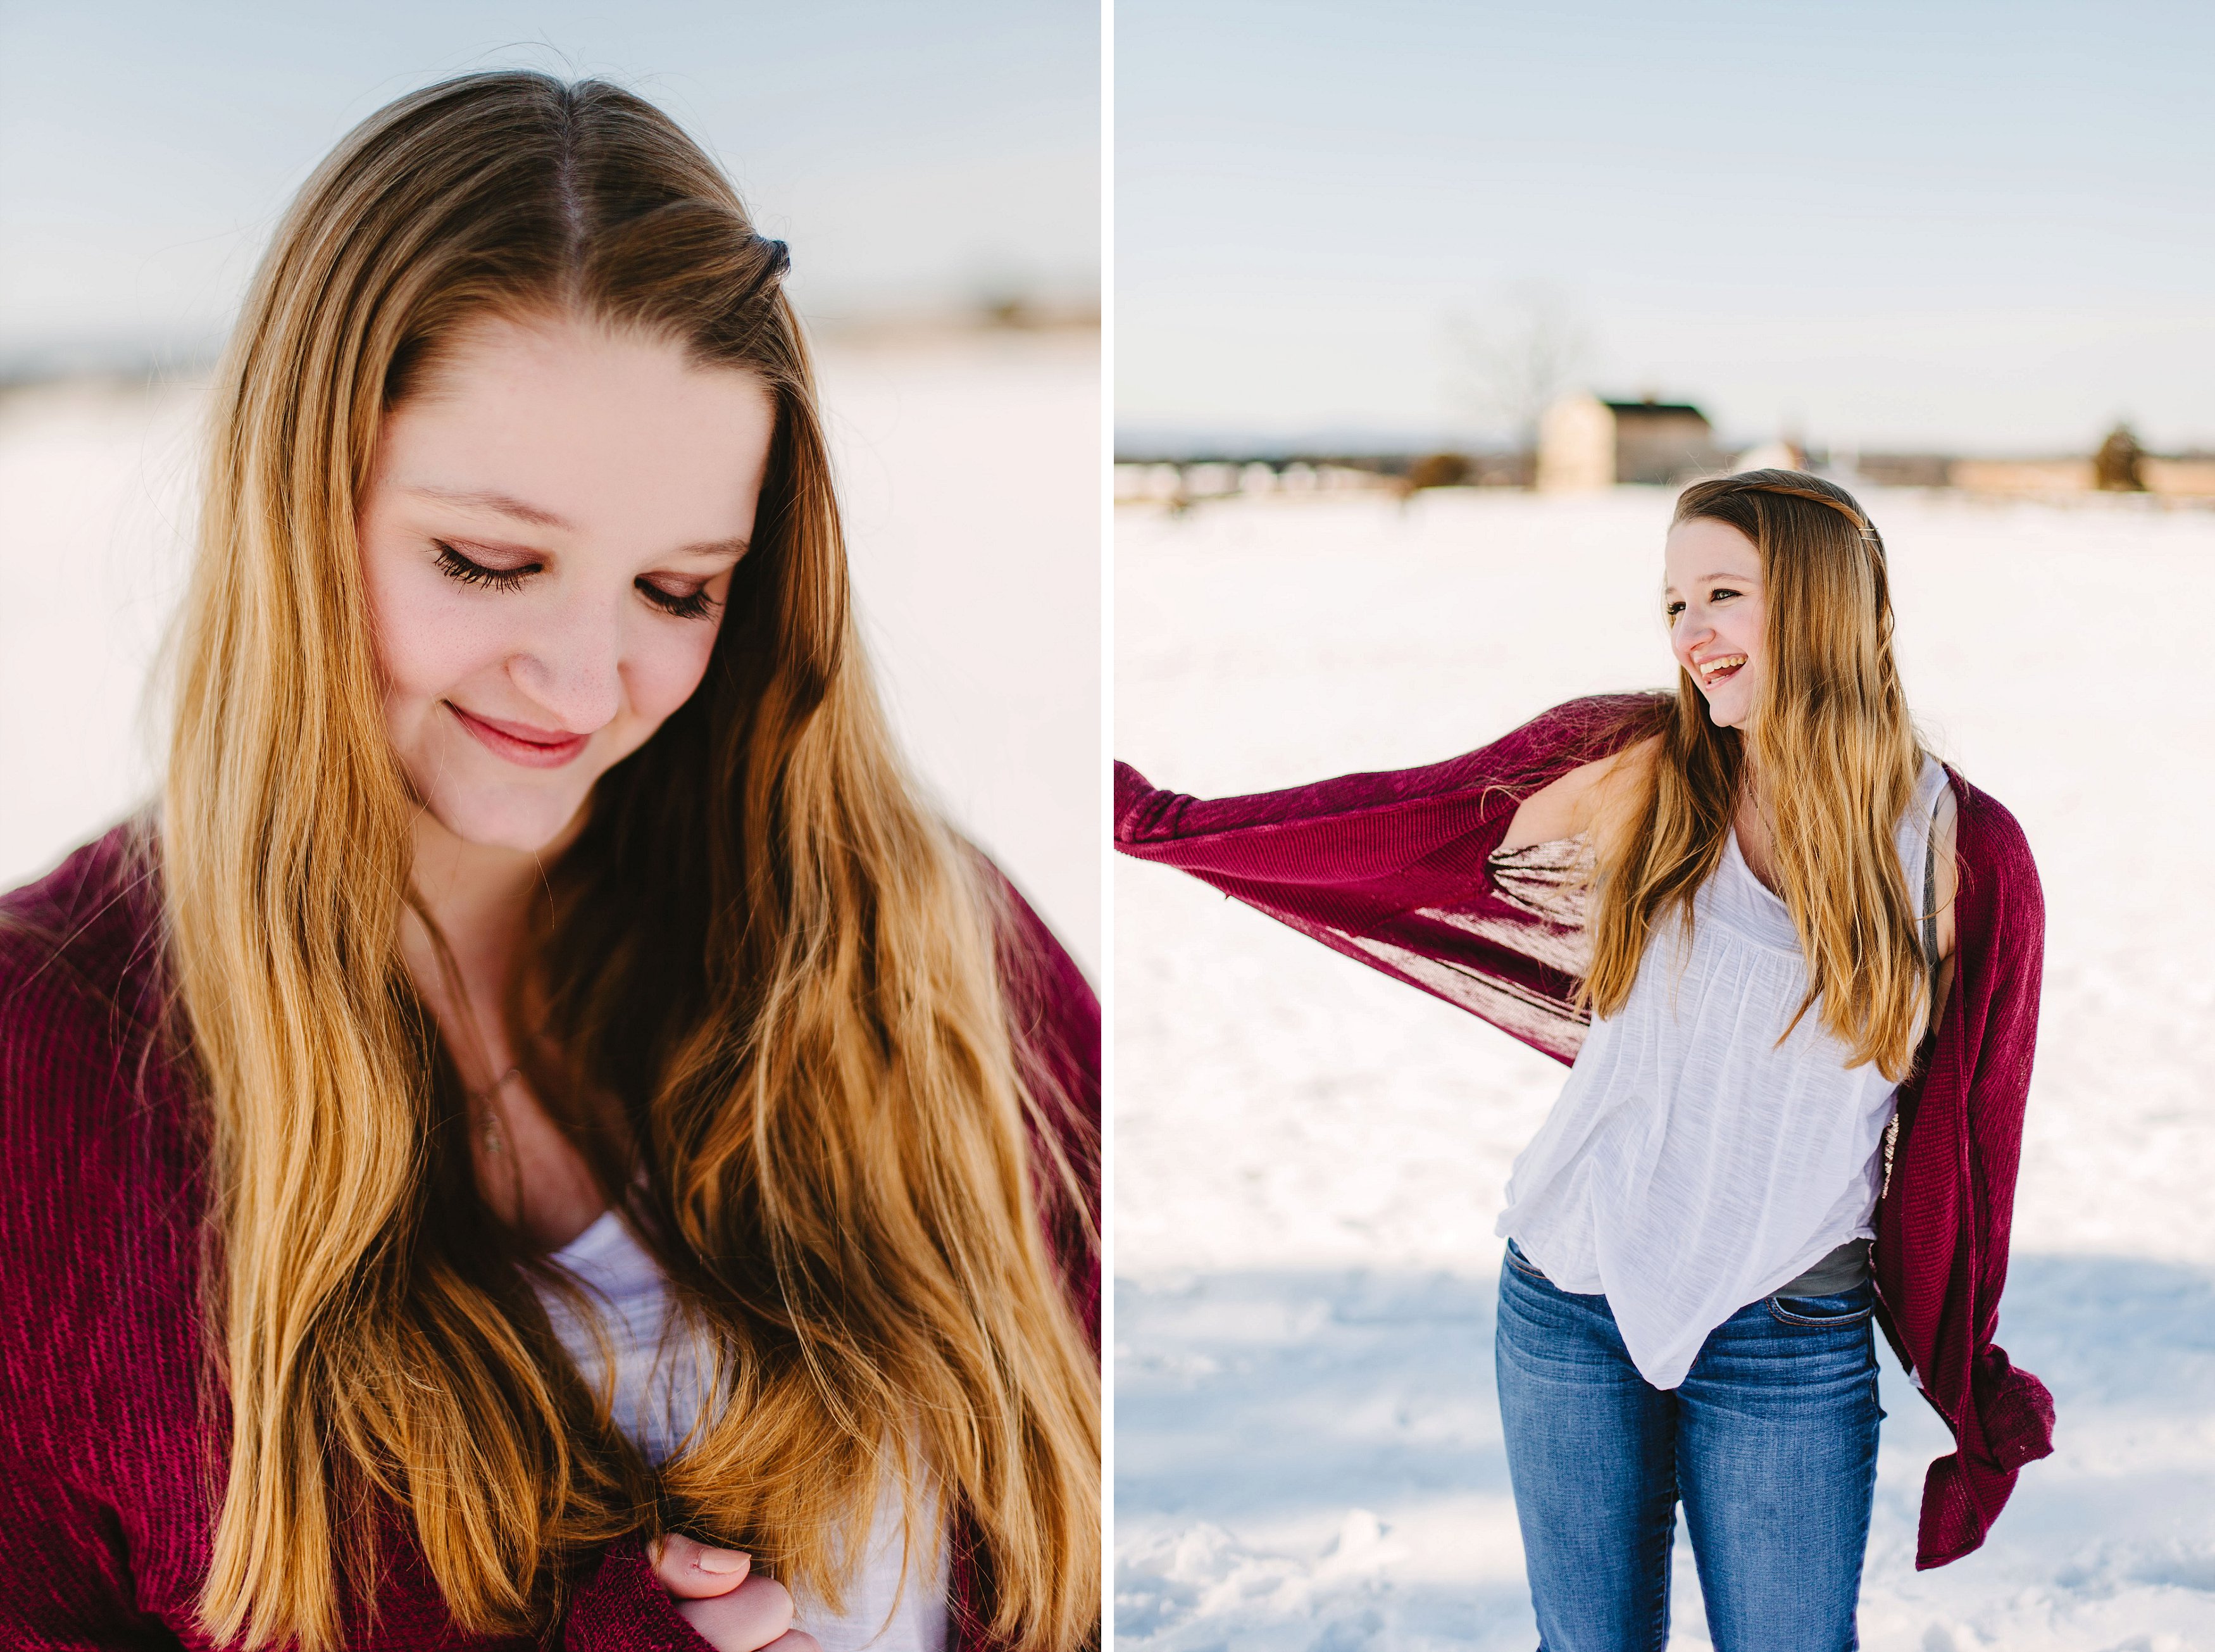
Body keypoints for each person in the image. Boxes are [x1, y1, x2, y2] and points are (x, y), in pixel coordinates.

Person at [0, 73, 1098, 1652]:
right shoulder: (46, 1076)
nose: (585, 689)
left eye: (678, 589)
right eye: (489, 563)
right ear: (295, 505)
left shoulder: (920, 952)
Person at [1114, 471, 2052, 1650]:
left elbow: (1971, 1141)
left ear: (1821, 604)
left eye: (1722, 594)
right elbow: (1408, 824)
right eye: (1673, 604)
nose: (1690, 634)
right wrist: (1167, 822)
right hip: (1570, 1302)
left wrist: (1963, 1365)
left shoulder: (1961, 854)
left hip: (1788, 1335)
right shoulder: (1647, 768)